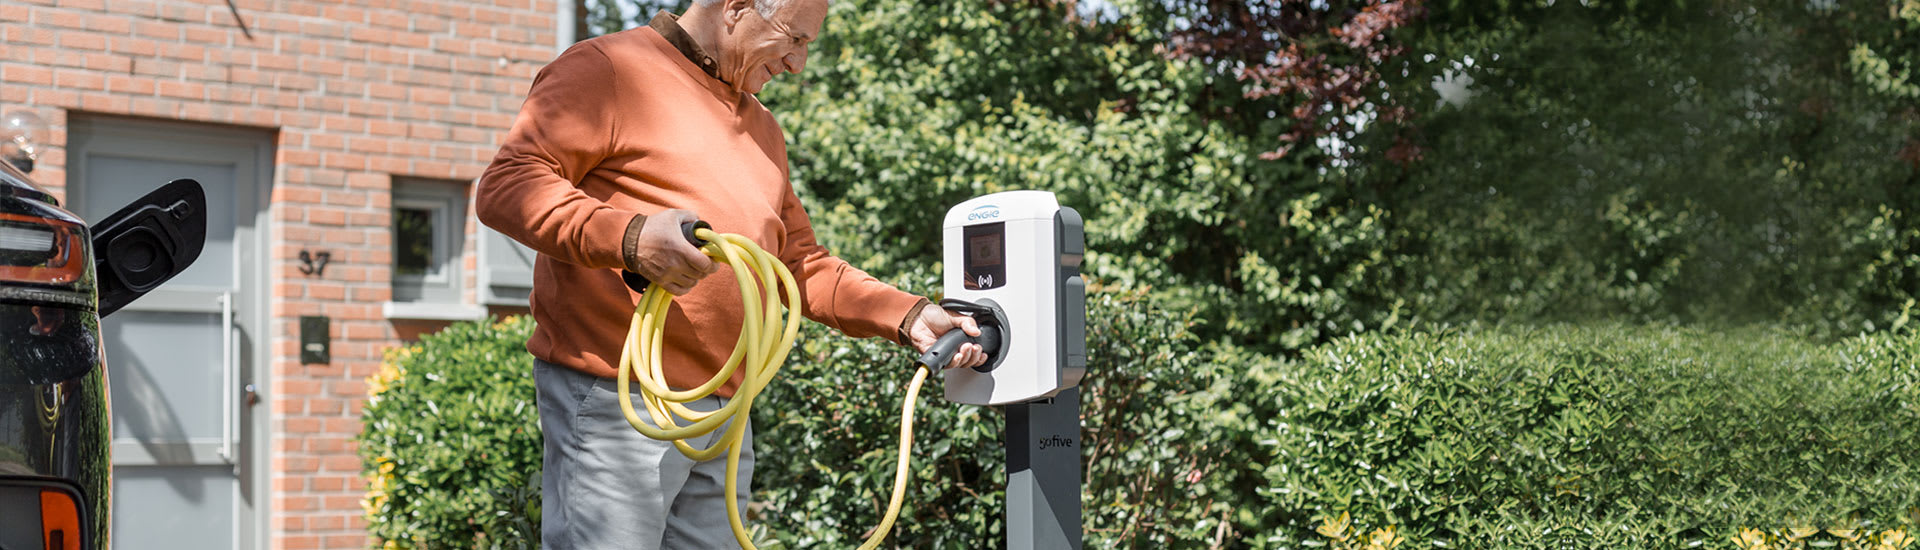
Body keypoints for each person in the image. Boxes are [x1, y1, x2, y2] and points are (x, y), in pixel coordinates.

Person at [474, 0, 988, 547]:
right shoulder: (607, 68)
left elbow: (801, 265)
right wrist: (631, 238)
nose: (798, 64)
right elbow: (508, 187)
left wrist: (908, 315)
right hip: (616, 401)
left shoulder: (762, 126)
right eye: (794, 39)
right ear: (738, 7)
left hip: (725, 412)